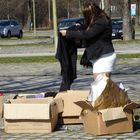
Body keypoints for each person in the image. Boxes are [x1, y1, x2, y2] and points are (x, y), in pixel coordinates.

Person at [60, 0, 116, 82]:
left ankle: (119, 93)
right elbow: (88, 26)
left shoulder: (101, 22)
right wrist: (79, 25)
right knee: (101, 85)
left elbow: (88, 34)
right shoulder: (98, 20)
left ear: (91, 14)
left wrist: (68, 33)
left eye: (86, 15)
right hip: (100, 55)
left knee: (101, 85)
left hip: (104, 56)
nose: (86, 18)